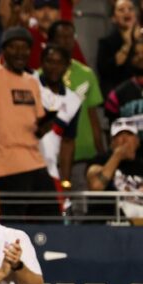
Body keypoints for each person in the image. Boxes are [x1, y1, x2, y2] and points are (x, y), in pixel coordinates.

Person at [0, 27, 58, 220]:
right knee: (12, 228)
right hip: (8, 168)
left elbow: (37, 127)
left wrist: (44, 127)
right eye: (14, 47)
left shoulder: (32, 82)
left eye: (24, 48)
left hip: (36, 162)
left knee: (51, 220)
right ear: (4, 51)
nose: (20, 52)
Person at [47, 19, 104, 194]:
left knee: (81, 210)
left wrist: (100, 152)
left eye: (70, 37)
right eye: (61, 37)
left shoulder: (86, 74)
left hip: (84, 154)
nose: (66, 41)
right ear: (51, 41)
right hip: (52, 156)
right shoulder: (40, 76)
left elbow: (93, 116)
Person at [36, 44, 81, 200]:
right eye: (49, 61)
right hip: (22, 166)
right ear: (41, 63)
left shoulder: (73, 100)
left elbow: (68, 142)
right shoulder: (29, 85)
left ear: (67, 66)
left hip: (51, 171)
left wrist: (65, 181)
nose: (54, 67)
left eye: (59, 62)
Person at [86, 117, 143, 220]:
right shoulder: (100, 160)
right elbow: (96, 186)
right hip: (105, 224)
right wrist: (117, 156)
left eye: (129, 134)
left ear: (137, 141)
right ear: (112, 142)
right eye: (119, 135)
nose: (124, 139)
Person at [96, 0, 142, 98]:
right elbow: (105, 71)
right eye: (121, 10)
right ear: (113, 18)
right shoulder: (106, 42)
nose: (127, 12)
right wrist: (127, 44)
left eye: (130, 9)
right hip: (117, 95)